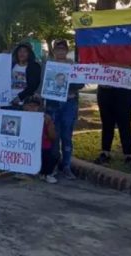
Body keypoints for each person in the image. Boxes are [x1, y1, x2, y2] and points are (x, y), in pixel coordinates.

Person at [46, 39, 83, 180]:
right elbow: (44, 84)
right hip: (53, 103)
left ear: (67, 51)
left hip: (69, 103)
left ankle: (66, 165)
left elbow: (81, 84)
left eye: (63, 49)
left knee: (67, 136)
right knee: (53, 135)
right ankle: (54, 165)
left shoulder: (74, 65)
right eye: (58, 49)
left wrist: (68, 83)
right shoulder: (48, 65)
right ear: (54, 51)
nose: (60, 51)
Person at [23, 95, 58, 184]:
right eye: (30, 105)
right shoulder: (20, 116)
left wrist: (50, 124)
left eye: (35, 106)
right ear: (25, 106)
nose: (33, 108)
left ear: (39, 107)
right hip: (26, 146)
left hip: (43, 146)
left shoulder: (45, 118)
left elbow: (53, 137)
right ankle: (24, 171)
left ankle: (46, 174)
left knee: (54, 154)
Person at [11, 42, 42, 108]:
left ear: (29, 54)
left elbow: (33, 86)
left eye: (25, 51)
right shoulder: (11, 65)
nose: (22, 53)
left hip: (26, 104)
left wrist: (19, 97)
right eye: (20, 51)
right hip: (8, 102)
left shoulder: (34, 67)